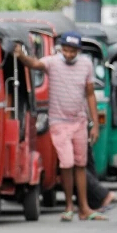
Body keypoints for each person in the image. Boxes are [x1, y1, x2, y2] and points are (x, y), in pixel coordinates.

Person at [15, 33, 106, 221]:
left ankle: (84, 208)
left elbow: (90, 94)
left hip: (79, 121)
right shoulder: (53, 62)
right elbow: (34, 64)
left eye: (73, 51)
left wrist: (94, 124)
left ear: (78, 51)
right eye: (66, 50)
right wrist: (21, 55)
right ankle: (69, 206)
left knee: (80, 165)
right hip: (58, 122)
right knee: (66, 163)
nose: (69, 54)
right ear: (60, 49)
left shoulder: (86, 65)